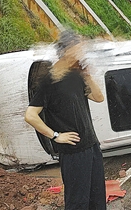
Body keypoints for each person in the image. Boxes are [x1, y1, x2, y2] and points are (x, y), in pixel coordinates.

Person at [24, 31, 107, 210]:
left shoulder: (76, 76)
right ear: (66, 51)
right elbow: (30, 115)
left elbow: (99, 97)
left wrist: (87, 76)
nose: (81, 54)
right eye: (77, 50)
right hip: (73, 152)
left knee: (97, 198)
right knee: (78, 202)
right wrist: (55, 136)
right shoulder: (50, 81)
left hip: (91, 146)